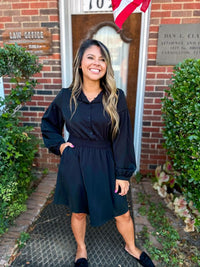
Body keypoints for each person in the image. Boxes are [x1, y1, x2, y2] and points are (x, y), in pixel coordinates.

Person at [41, 39, 155, 267]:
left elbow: (123, 137)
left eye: (102, 59)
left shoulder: (116, 97)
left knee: (121, 211)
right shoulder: (66, 97)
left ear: (107, 66)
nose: (97, 63)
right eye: (91, 57)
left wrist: (123, 174)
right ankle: (81, 249)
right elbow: (48, 124)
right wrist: (61, 146)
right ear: (80, 64)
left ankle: (131, 246)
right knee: (79, 211)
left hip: (107, 161)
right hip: (76, 162)